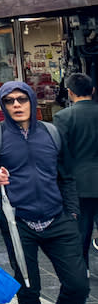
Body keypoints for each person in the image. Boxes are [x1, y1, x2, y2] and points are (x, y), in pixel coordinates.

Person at [0, 81, 89, 304]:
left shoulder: (52, 133)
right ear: (3, 105)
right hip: (18, 222)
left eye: (22, 99)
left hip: (57, 219)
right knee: (28, 288)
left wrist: (72, 213)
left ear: (31, 100)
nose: (16, 105)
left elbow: (66, 176)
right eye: (9, 101)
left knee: (78, 285)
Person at [54, 72, 98, 273]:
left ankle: (83, 269)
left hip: (78, 183)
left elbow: (60, 152)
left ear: (70, 93)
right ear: (93, 91)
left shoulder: (63, 117)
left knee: (81, 229)